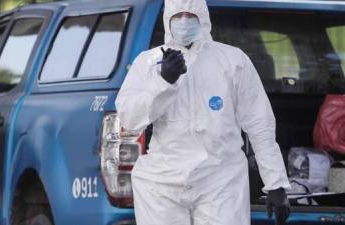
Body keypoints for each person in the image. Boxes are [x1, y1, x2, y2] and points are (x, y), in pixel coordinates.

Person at [115, 0, 291, 224]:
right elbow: (129, 120)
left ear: (204, 18)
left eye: (191, 15)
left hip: (220, 180)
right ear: (168, 19)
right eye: (178, 16)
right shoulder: (149, 63)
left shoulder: (232, 61)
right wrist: (163, 83)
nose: (184, 21)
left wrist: (275, 183)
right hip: (161, 183)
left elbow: (260, 123)